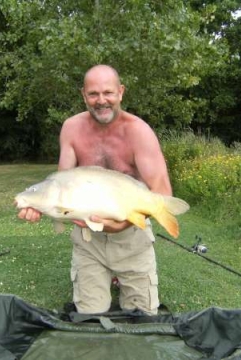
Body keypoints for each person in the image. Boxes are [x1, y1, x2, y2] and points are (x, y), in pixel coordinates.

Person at [18, 64, 173, 315]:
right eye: (93, 94)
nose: (101, 101)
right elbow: (61, 184)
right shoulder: (71, 128)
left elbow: (163, 192)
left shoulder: (139, 131)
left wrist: (122, 224)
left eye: (108, 93)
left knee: (143, 316)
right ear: (83, 95)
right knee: (90, 316)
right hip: (88, 241)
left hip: (132, 236)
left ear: (121, 92)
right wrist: (38, 205)